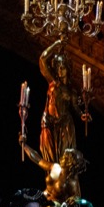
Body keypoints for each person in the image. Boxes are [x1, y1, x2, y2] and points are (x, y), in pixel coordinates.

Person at [38, 37, 87, 168]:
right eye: (58, 67)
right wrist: (57, 43)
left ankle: (65, 178)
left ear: (67, 69)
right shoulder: (52, 82)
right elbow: (42, 59)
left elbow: (76, 108)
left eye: (63, 67)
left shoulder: (71, 91)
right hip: (49, 123)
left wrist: (82, 115)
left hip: (65, 125)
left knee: (64, 160)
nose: (60, 70)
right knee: (49, 159)